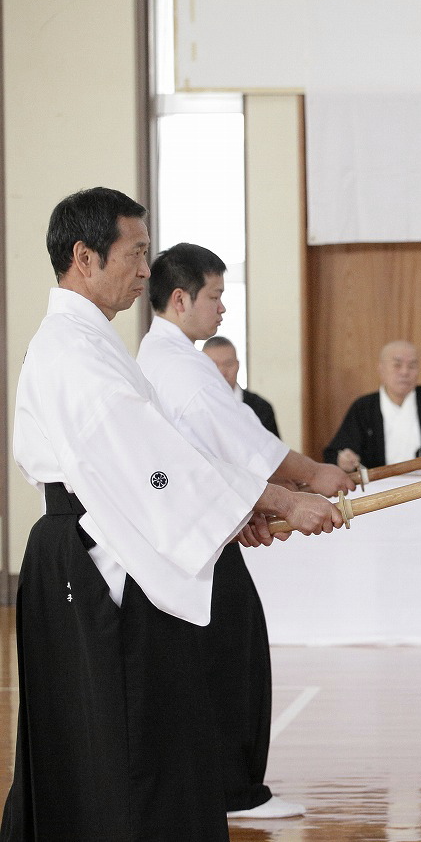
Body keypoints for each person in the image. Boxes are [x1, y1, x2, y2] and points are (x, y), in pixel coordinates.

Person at [1, 187, 343, 842]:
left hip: (109, 541)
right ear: (85, 257)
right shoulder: (72, 349)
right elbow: (152, 462)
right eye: (135, 254)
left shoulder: (89, 341)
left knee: (132, 732)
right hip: (94, 557)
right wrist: (278, 499)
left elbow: (158, 461)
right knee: (128, 734)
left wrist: (238, 512)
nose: (144, 271)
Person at [138, 243, 356, 819]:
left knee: (223, 653)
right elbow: (241, 441)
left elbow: (213, 456)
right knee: (236, 655)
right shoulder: (180, 367)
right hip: (192, 541)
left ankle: (222, 787)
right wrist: (311, 476)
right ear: (180, 299)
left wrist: (247, 512)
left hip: (198, 528)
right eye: (215, 297)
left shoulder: (162, 357)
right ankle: (235, 792)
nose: (222, 309)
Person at [323, 340, 421, 474]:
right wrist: (343, 460)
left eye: (412, 366)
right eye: (397, 365)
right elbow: (335, 453)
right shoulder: (364, 408)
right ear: (381, 369)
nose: (405, 372)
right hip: (378, 488)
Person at [203, 335, 279, 437]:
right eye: (214, 365)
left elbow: (273, 446)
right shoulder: (194, 406)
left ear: (237, 365)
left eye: (228, 364)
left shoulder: (260, 407)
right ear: (202, 366)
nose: (222, 372)